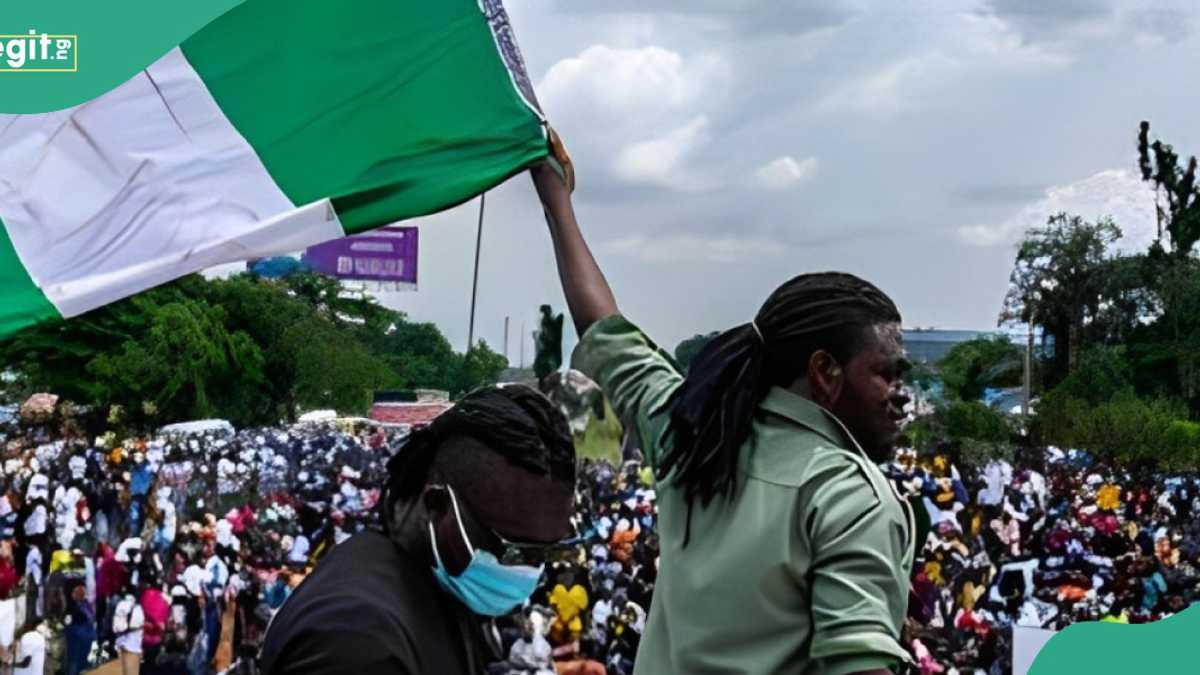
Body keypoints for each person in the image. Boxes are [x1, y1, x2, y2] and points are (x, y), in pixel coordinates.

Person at [531, 135, 916, 674]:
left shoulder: (689, 434)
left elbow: (603, 330)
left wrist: (557, 200)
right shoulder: (844, 494)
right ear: (824, 371)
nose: (901, 395)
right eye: (886, 373)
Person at [259, 385, 578, 674]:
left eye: (551, 551)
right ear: (438, 507)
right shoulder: (355, 644)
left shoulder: (432, 583)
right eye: (516, 550)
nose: (534, 573)